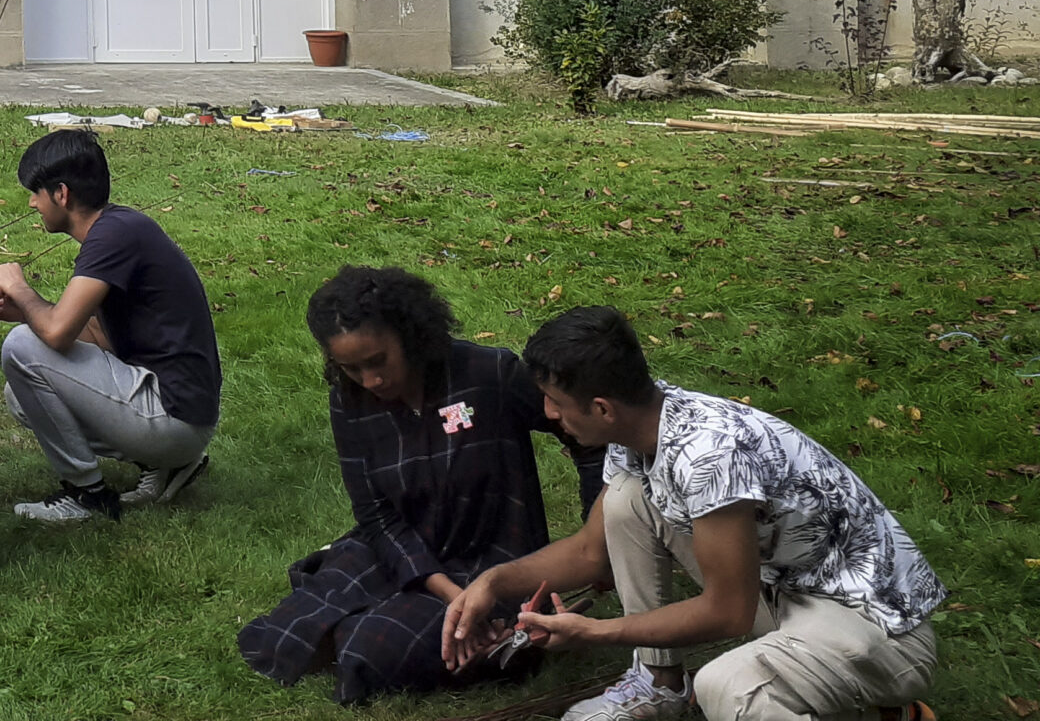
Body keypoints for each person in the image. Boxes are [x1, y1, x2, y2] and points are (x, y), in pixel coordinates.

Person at [439, 307, 943, 721]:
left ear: (602, 407)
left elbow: (729, 611)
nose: (548, 414)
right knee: (627, 498)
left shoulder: (709, 456)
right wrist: (494, 582)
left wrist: (600, 632)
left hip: (878, 624)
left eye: (553, 401)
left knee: (729, 689)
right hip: (787, 588)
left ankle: (879, 703)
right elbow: (593, 553)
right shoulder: (642, 428)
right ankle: (658, 685)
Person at [239, 266, 603, 704]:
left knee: (368, 651)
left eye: (377, 361)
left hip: (492, 557)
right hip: (404, 547)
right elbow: (375, 513)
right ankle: (393, 610)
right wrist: (454, 598)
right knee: (283, 634)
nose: (370, 381)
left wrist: (596, 532)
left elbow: (590, 440)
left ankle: (429, 625)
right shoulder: (349, 401)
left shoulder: (489, 375)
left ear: (411, 335)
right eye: (351, 368)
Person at [0, 128, 221, 523]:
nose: (31, 202)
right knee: (20, 394)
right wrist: (26, 310)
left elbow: (57, 332)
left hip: (175, 416)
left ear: (61, 194)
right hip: (183, 414)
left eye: (35, 192)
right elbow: (99, 336)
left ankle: (86, 495)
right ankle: (167, 464)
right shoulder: (117, 228)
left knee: (21, 346)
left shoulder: (111, 238)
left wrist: (21, 291)